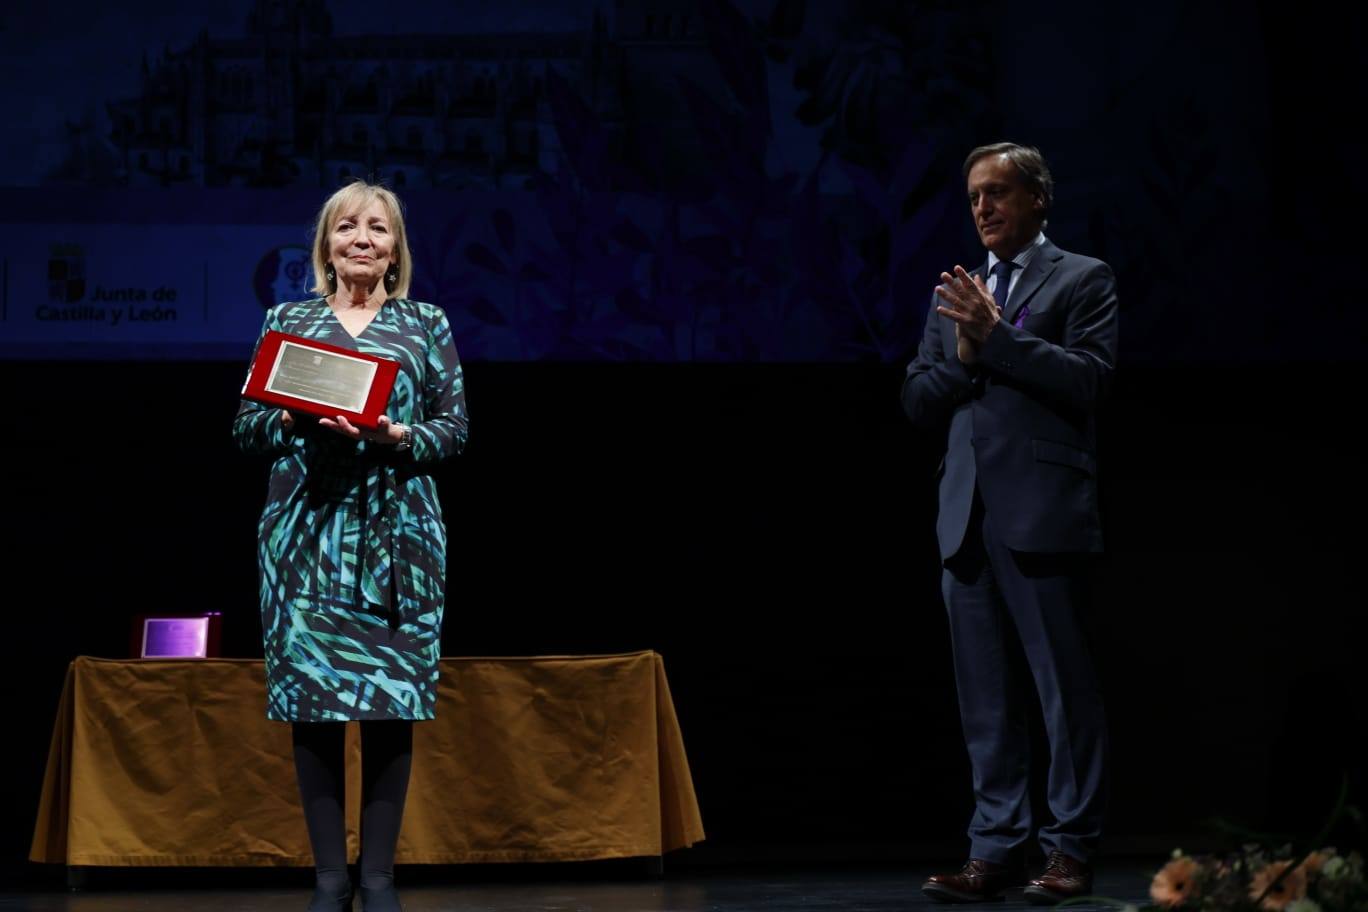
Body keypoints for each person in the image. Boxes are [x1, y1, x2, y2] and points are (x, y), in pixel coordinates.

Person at [234, 180, 468, 912]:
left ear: (396, 248)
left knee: (390, 706)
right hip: (306, 537)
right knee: (315, 707)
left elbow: (453, 432)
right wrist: (299, 422)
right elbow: (248, 429)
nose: (362, 238)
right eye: (346, 227)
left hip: (399, 537)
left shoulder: (425, 324)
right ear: (326, 244)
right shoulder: (290, 320)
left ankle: (379, 880)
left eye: (378, 228)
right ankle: (331, 880)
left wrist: (395, 435)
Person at [902, 143, 1117, 905]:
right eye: (973, 196)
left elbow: (1089, 378)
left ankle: (1069, 851)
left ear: (1037, 200)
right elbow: (920, 399)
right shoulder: (955, 295)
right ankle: (992, 850)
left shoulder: (1082, 278)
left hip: (1042, 511)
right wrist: (966, 350)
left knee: (1063, 692)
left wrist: (999, 340)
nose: (984, 208)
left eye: (998, 192)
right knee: (985, 699)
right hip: (965, 517)